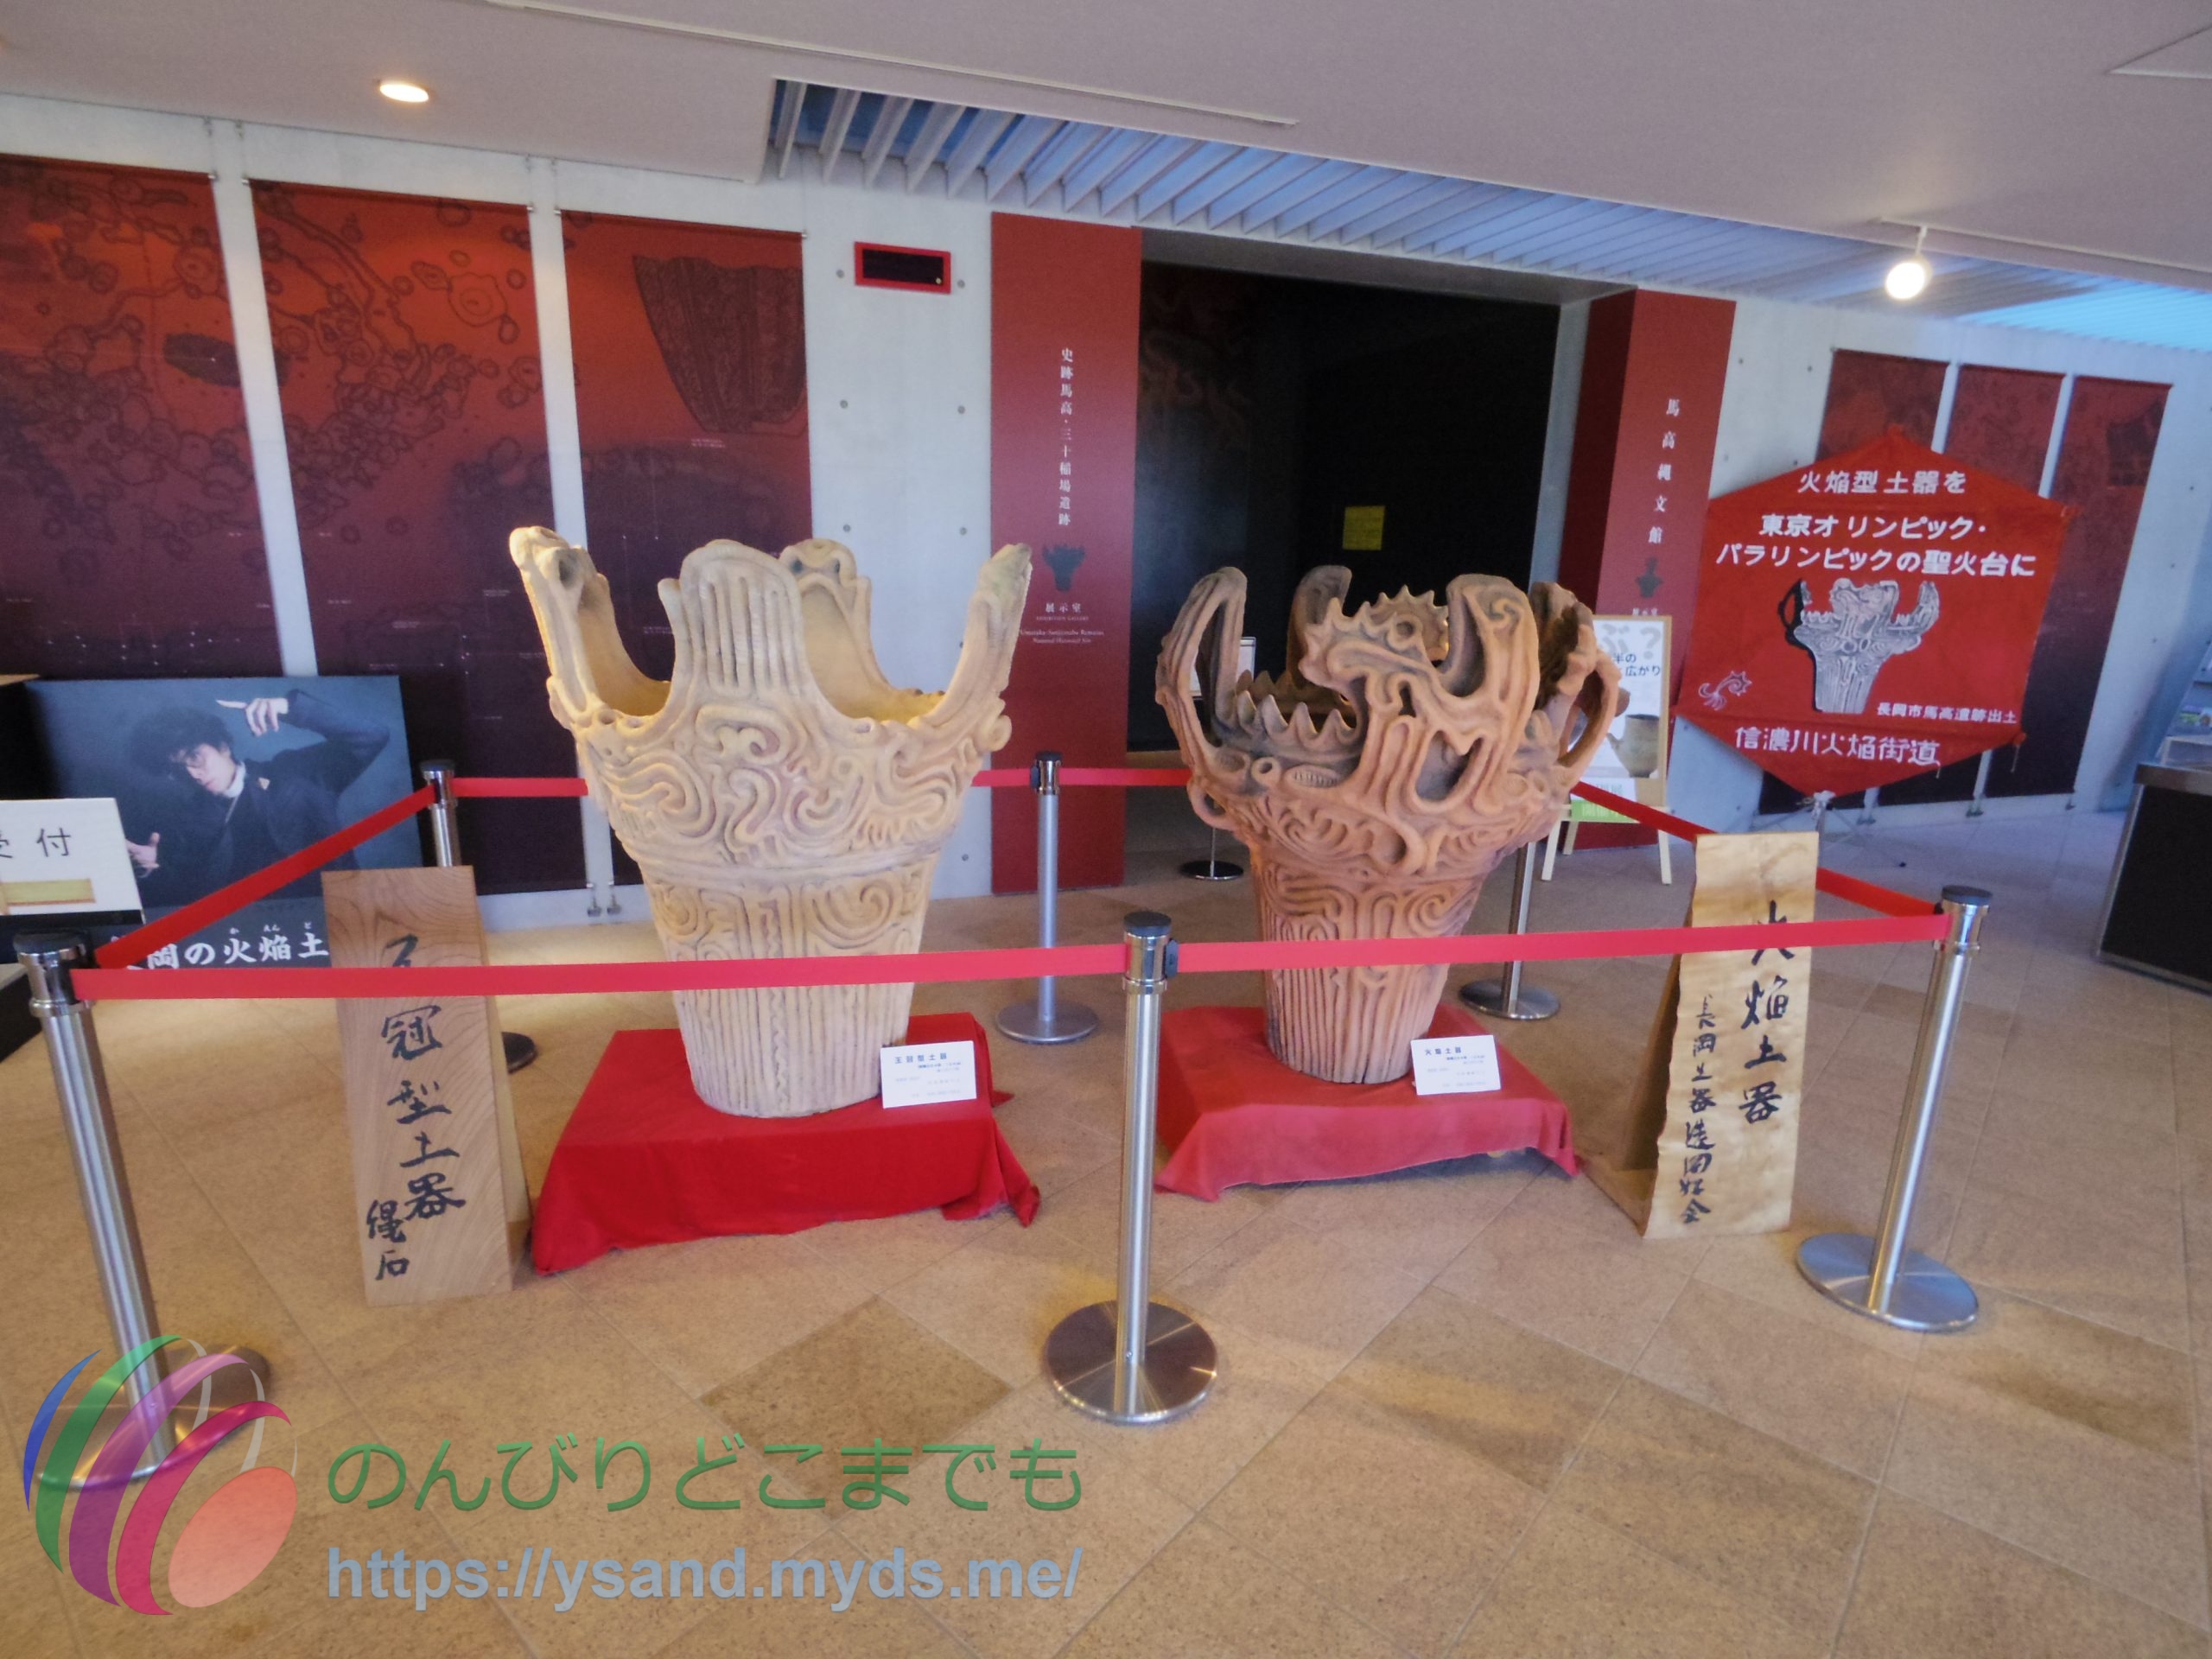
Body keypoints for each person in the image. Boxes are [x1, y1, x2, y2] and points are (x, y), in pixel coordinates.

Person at [124, 690, 391, 901]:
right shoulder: (186, 822)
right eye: (177, 769)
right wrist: (151, 867)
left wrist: (289, 707)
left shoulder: (295, 773)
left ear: (222, 746)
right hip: (257, 934)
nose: (192, 774)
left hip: (339, 913)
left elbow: (372, 736)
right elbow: (186, 892)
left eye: (195, 756)